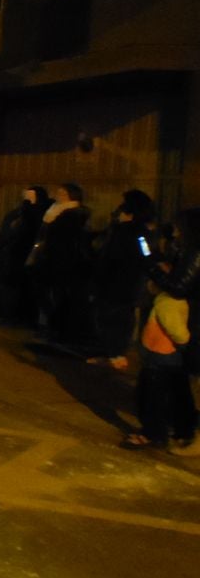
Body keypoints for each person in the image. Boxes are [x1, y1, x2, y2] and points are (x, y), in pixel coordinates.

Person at [145, 207, 200, 455]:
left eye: (178, 226)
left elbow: (179, 287)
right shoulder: (186, 250)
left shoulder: (196, 251)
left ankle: (193, 437)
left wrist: (154, 271)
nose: (175, 231)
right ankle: (185, 428)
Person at [119, 278, 195, 451]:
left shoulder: (166, 302)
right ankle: (179, 430)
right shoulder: (168, 300)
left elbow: (180, 333)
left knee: (151, 397)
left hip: (160, 358)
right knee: (174, 393)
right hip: (164, 357)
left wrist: (181, 344)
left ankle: (152, 433)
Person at [88, 189, 155, 370]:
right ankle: (115, 354)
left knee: (109, 318)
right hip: (128, 284)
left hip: (115, 283)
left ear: (128, 214)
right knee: (121, 319)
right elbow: (147, 256)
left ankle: (114, 354)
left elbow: (107, 259)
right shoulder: (141, 234)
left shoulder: (123, 232)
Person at [28, 183, 92, 345]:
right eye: (59, 192)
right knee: (46, 293)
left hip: (60, 262)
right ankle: (47, 326)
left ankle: (53, 328)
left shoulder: (72, 215)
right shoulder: (53, 210)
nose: (59, 195)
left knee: (55, 295)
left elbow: (64, 240)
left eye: (63, 193)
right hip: (47, 259)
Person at [0, 186, 49, 324]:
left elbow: (30, 231)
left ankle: (22, 316)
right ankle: (9, 313)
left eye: (31, 196)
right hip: (11, 256)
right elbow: (6, 232)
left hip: (25, 256)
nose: (27, 199)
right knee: (10, 288)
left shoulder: (39, 213)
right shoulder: (17, 213)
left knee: (22, 289)